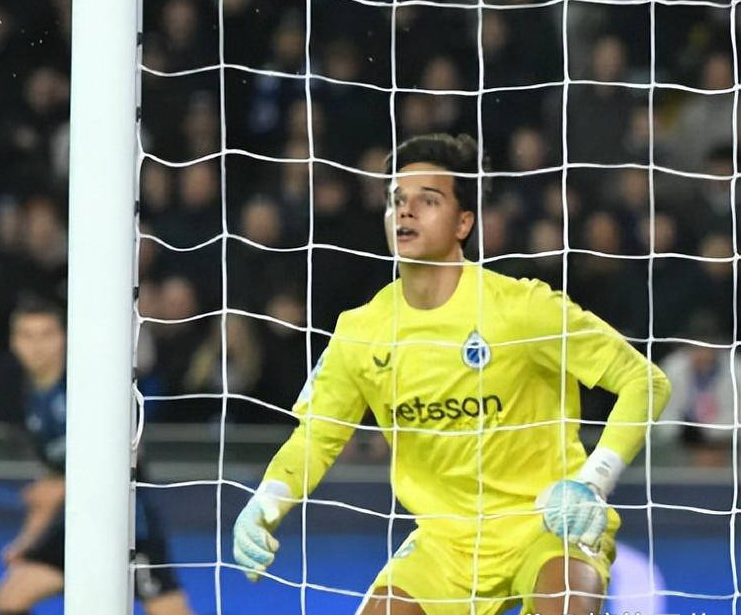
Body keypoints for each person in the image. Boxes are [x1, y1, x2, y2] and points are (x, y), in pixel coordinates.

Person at [231, 133, 671, 615]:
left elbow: (645, 381)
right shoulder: (361, 331)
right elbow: (316, 437)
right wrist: (265, 504)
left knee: (567, 601)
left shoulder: (522, 308)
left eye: (428, 200)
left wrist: (592, 482)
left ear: (464, 223)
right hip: (445, 544)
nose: (405, 211)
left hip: (547, 523)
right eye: (396, 199)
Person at [0, 295, 195, 615]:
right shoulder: (25, 394)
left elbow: (129, 453)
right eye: (27, 336)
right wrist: (26, 543)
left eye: (46, 335)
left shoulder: (88, 386)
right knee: (10, 598)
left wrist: (60, 487)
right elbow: (51, 478)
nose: (37, 346)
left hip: (127, 522)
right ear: (13, 342)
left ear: (64, 338)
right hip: (78, 523)